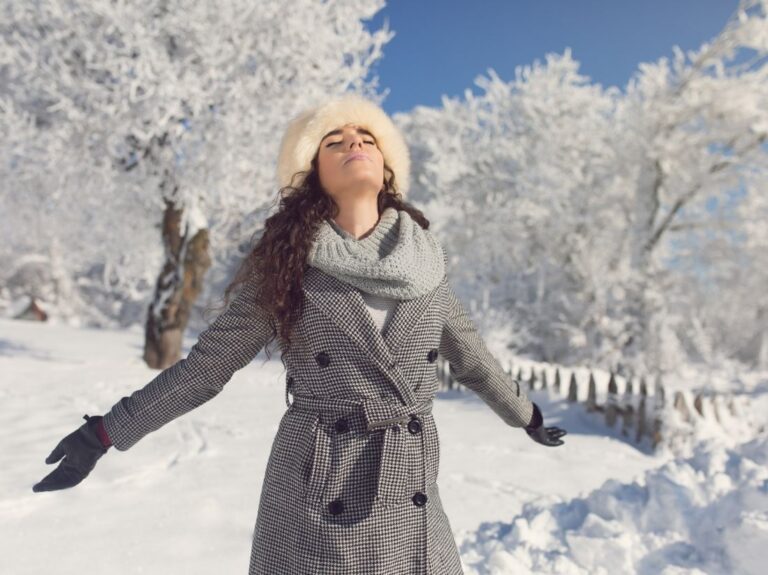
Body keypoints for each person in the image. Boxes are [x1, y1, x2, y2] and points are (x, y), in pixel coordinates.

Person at [33, 93, 567, 574]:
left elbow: (474, 361)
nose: (353, 143)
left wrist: (529, 416)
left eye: (366, 137)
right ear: (313, 173)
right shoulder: (285, 266)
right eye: (334, 141)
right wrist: (105, 432)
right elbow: (206, 369)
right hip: (319, 486)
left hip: (410, 493)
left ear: (387, 170)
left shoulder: (427, 262)